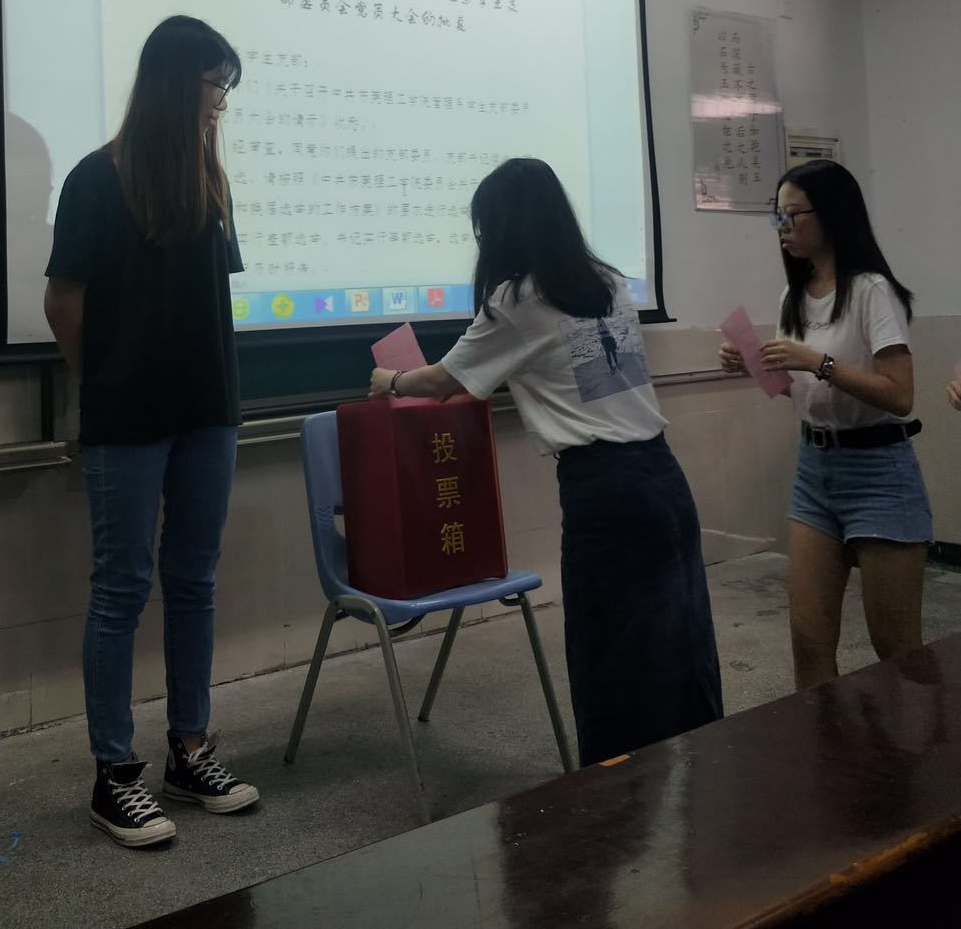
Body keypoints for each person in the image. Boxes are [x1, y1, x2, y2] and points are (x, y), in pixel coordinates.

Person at [369, 157, 723, 767]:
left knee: (608, 653)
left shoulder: (518, 300)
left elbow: (440, 380)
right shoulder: (608, 282)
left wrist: (390, 379)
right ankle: (694, 772)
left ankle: (616, 792)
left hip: (603, 490)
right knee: (678, 637)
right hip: (662, 476)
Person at [44, 15, 258, 848]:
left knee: (194, 579)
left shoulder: (211, 182)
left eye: (226, 89)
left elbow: (208, 299)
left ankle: (190, 751)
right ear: (176, 83)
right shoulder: (95, 180)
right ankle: (114, 775)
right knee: (121, 589)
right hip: (127, 416)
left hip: (209, 411)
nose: (221, 104)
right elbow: (63, 300)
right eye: (215, 86)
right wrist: (97, 382)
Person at [719, 160, 930, 690]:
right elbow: (796, 388)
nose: (783, 228)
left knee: (897, 649)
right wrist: (753, 365)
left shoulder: (871, 290)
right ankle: (822, 743)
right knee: (809, 639)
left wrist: (818, 362)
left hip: (878, 472)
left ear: (832, 215)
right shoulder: (794, 295)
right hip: (814, 472)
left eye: (792, 215)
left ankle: (924, 742)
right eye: (777, 217)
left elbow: (899, 395)